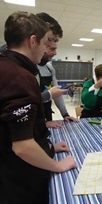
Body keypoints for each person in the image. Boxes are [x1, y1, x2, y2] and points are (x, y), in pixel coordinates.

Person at [0, 11, 77, 204]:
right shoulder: (19, 77)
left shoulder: (6, 65)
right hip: (19, 178)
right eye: (45, 43)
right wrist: (56, 166)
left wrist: (48, 146)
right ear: (33, 41)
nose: (46, 50)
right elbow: (23, 146)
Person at [36, 12, 78, 128]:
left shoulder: (50, 68)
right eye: (49, 42)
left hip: (45, 116)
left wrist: (65, 114)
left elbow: (57, 94)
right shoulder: (23, 67)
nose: (54, 53)